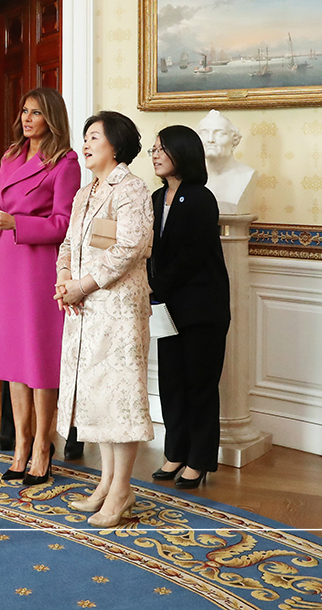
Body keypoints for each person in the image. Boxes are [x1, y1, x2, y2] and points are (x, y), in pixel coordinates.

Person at [55, 110, 153, 527]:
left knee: (119, 397)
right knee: (96, 397)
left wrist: (85, 284)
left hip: (117, 309)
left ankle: (122, 490)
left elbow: (130, 246)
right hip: (84, 308)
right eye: (85, 136)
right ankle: (107, 483)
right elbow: (67, 243)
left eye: (95, 136)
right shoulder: (84, 192)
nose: (87, 143)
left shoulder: (131, 189)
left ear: (116, 143)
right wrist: (64, 279)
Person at [0, 87, 79, 484]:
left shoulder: (65, 162)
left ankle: (42, 446)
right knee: (12, 363)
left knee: (37, 361)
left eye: (35, 112)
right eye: (24, 110)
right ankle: (20, 445)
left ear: (50, 118)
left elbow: (64, 224)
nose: (27, 118)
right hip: (6, 264)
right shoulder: (10, 157)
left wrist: (18, 223)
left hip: (38, 268)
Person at [148, 125, 230, 489]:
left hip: (201, 309)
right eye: (153, 149)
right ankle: (174, 453)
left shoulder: (201, 198)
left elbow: (191, 257)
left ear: (182, 152)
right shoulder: (153, 198)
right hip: (166, 309)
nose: (154, 154)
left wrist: (154, 284)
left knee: (200, 385)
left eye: (162, 148)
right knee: (171, 383)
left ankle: (199, 460)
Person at [195, 109, 255, 213]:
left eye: (219, 133)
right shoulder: (192, 177)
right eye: (204, 133)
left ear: (234, 140)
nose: (210, 139)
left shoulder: (247, 175)